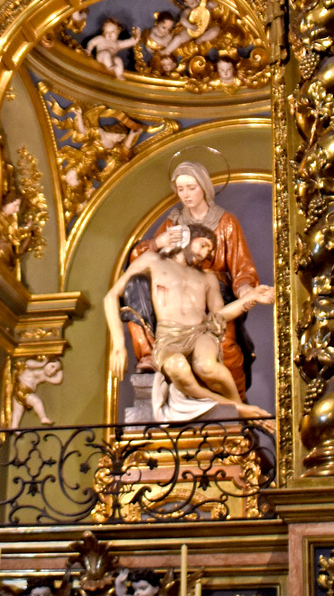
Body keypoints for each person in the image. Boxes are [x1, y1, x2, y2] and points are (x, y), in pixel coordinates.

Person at [105, 223, 273, 418]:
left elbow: (219, 315)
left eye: (209, 250)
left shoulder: (208, 279)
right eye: (202, 245)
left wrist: (251, 298)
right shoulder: (152, 261)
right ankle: (240, 409)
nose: (205, 254)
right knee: (177, 367)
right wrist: (118, 345)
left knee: (207, 366)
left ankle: (237, 408)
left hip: (201, 332)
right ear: (185, 238)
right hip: (169, 336)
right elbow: (111, 297)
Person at [127, 161, 265, 396]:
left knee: (226, 347)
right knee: (135, 290)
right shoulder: (173, 223)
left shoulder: (226, 222)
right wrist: (157, 243)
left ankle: (236, 408)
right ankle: (149, 355)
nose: (186, 195)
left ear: (204, 187)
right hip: (176, 294)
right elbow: (140, 259)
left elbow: (241, 268)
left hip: (213, 292)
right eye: (180, 189)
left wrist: (245, 293)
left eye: (191, 188)